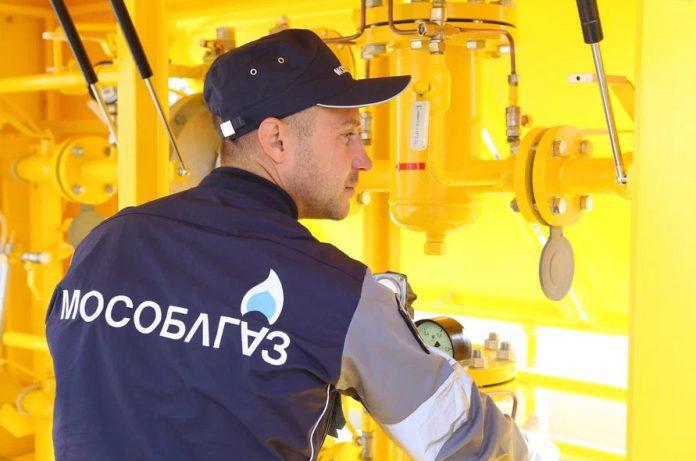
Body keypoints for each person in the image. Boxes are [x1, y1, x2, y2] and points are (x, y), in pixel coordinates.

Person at [46, 29, 531, 460]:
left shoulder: (106, 242)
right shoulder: (334, 293)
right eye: (348, 135)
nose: (363, 159)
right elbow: (472, 446)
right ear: (276, 140)